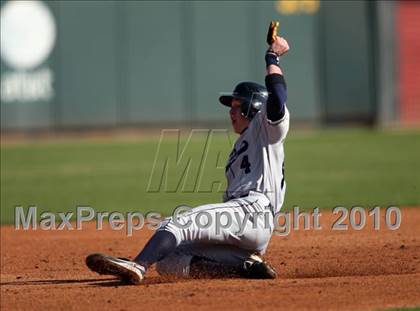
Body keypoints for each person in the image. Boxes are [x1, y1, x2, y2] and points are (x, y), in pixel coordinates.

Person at [86, 35, 290, 284]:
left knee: (178, 223)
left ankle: (138, 265)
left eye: (237, 105)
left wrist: (273, 57)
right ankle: (241, 268)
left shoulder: (265, 128)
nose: (231, 111)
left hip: (252, 211)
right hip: (246, 227)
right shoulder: (242, 145)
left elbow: (277, 99)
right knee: (169, 260)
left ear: (253, 107)